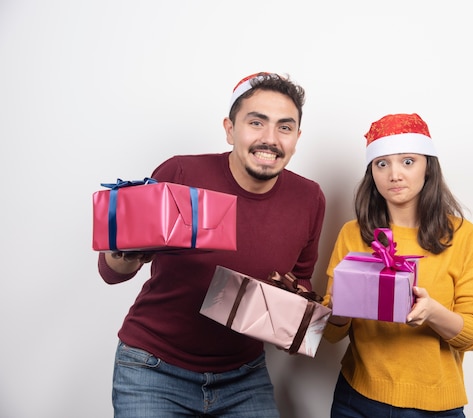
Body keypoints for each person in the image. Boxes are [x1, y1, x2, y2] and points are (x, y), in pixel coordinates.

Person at [97, 72, 326, 417]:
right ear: (230, 129)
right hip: (153, 368)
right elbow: (110, 272)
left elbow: (301, 278)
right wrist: (127, 249)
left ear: (296, 138)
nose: (270, 139)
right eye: (256, 122)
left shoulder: (309, 197)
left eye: (284, 127)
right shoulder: (181, 173)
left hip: (244, 377)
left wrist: (298, 321)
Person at [322, 113, 473, 417]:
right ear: (371, 172)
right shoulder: (352, 233)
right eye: (382, 164)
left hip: (436, 407)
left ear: (429, 168)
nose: (394, 175)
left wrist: (432, 312)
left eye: (408, 161)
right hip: (356, 399)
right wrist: (336, 308)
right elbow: (332, 333)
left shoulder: (462, 236)